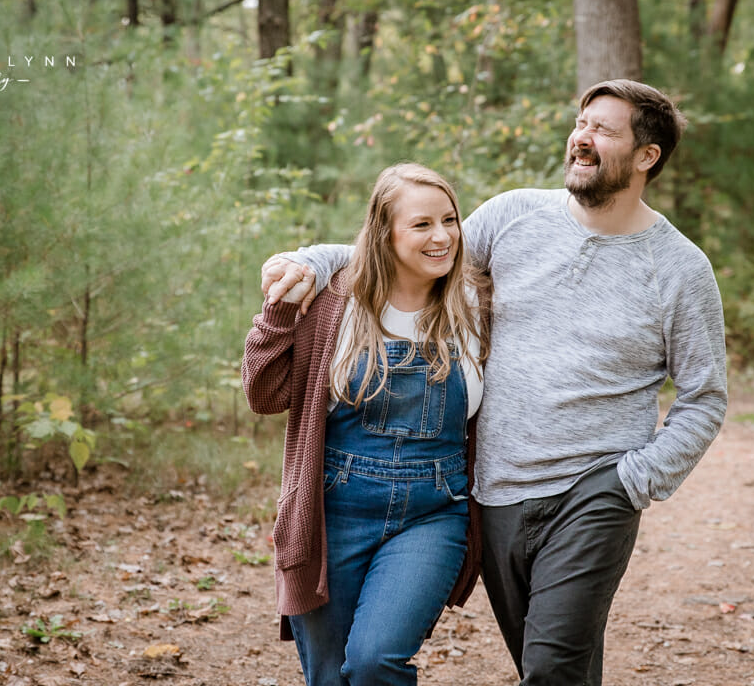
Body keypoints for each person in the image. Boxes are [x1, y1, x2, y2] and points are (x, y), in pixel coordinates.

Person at [260, 80, 728, 685]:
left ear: (647, 155)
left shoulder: (680, 269)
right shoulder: (513, 216)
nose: (582, 138)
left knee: (551, 668)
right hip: (497, 491)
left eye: (603, 130)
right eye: (581, 123)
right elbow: (414, 254)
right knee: (549, 664)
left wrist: (633, 481)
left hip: (596, 491)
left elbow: (703, 398)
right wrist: (311, 260)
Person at [242, 163, 490, 686]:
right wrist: (280, 309)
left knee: (376, 662)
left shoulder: (474, 304)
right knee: (329, 676)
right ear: (384, 234)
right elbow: (264, 395)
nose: (442, 236)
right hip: (333, 513)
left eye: (449, 220)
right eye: (421, 224)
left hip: (432, 513)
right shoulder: (336, 302)